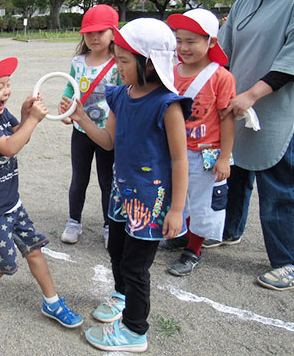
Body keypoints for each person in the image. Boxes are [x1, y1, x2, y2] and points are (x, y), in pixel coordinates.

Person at [61, 18, 192, 352]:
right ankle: (121, 296)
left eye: (122, 61)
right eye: (115, 59)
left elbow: (180, 160)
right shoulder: (120, 95)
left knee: (136, 266)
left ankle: (135, 331)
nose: (116, 67)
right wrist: (81, 117)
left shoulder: (168, 105)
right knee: (116, 252)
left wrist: (176, 210)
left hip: (150, 201)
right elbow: (107, 142)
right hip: (122, 194)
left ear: (148, 63)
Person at [0, 54, 83, 327]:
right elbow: (9, 147)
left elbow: (16, 135)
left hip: (11, 203)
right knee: (4, 262)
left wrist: (26, 116)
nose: (7, 90)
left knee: (34, 250)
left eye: (8, 83)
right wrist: (33, 121)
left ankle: (52, 302)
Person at [216, 0, 294, 290]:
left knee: (281, 184)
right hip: (236, 103)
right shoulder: (244, 2)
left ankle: (293, 261)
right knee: (235, 170)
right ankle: (229, 230)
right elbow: (222, 51)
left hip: (276, 107)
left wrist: (251, 95)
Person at [160, 9, 236, 276]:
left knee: (203, 203)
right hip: (174, 150)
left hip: (207, 153)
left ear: (212, 42)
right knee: (179, 197)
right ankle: (181, 234)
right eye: (179, 40)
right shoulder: (171, 72)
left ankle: (194, 249)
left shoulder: (221, 77)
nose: (183, 47)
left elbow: (227, 120)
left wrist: (225, 157)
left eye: (191, 41)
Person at [59, 4, 120, 247]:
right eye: (89, 32)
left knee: (108, 181)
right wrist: (64, 109)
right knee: (79, 179)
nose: (94, 37)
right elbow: (70, 88)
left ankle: (109, 225)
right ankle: (74, 221)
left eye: (101, 32)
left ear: (114, 33)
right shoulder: (78, 61)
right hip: (81, 132)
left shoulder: (118, 62)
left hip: (107, 134)